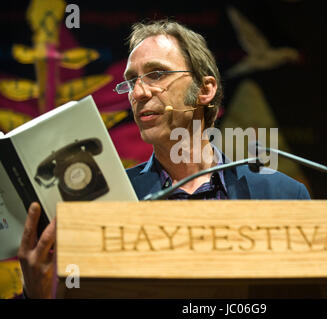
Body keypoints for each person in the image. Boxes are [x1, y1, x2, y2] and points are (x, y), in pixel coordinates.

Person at [18, 19, 310, 298]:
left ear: (205, 90)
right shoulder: (109, 203)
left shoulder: (283, 196)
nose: (139, 92)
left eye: (156, 74)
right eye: (131, 81)